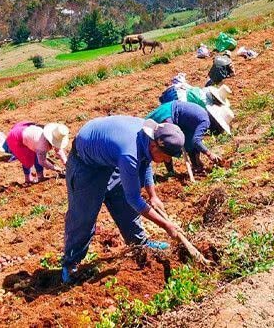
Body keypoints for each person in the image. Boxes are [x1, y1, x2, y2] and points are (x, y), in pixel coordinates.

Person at [61, 117, 186, 284]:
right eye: (166, 156)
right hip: (85, 164)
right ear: (154, 145)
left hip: (109, 159)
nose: (168, 161)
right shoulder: (129, 153)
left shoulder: (149, 139)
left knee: (124, 204)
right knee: (83, 217)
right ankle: (70, 263)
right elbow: (135, 198)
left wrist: (153, 195)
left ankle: (139, 243)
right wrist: (165, 225)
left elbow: (146, 161)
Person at [146, 100, 233, 174]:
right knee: (168, 143)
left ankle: (194, 165)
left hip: (173, 113)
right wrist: (209, 154)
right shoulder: (205, 121)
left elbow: (192, 141)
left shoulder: (203, 118)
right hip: (168, 114)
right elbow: (196, 141)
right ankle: (171, 173)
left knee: (187, 142)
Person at [0, 122, 70, 184]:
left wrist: (66, 163)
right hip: (16, 138)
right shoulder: (42, 146)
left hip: (26, 132)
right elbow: (42, 162)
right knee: (27, 160)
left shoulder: (52, 136)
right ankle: (28, 179)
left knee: (36, 155)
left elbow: (58, 149)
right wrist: (55, 168)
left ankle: (40, 176)